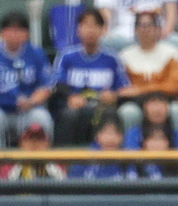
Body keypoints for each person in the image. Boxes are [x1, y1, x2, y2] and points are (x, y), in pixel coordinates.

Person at [0, 11, 53, 150]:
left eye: (19, 30)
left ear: (27, 34)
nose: (14, 34)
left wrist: (32, 101)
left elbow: (46, 87)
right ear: (2, 33)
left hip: (27, 110)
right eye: (10, 30)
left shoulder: (37, 54)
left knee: (41, 117)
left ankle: (41, 165)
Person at [53, 9, 130, 146]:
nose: (90, 30)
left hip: (102, 107)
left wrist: (114, 95)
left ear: (103, 30)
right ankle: (64, 159)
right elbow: (57, 84)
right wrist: (71, 96)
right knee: (69, 115)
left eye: (95, 26)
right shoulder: (66, 56)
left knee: (109, 115)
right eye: (86, 25)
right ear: (78, 29)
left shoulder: (112, 58)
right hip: (74, 105)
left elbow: (124, 88)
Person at [117, 11, 178, 133]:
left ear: (158, 29)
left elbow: (176, 86)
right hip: (137, 102)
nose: (145, 30)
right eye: (141, 25)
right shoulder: (125, 55)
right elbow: (123, 90)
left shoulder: (172, 52)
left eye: (149, 25)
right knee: (128, 112)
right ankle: (129, 150)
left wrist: (142, 89)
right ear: (135, 30)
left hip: (167, 100)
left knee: (177, 111)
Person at [70, 112, 133, 178]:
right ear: (97, 135)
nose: (111, 139)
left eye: (116, 133)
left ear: (122, 137)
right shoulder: (84, 160)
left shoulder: (128, 160)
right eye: (107, 133)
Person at [0, 122, 66, 178]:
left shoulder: (58, 163)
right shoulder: (8, 163)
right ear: (21, 143)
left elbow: (63, 185)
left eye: (39, 139)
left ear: (48, 144)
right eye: (30, 139)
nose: (34, 143)